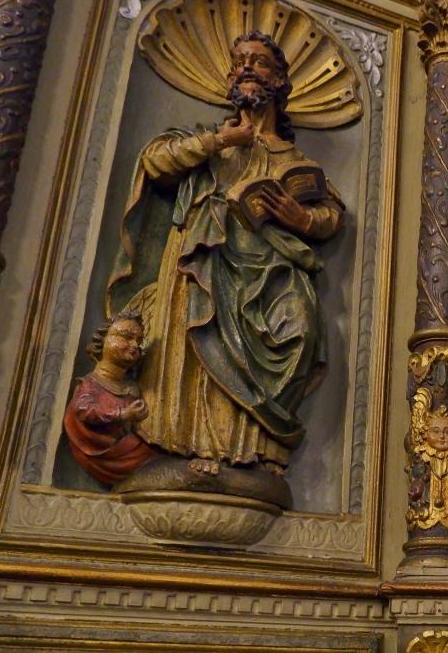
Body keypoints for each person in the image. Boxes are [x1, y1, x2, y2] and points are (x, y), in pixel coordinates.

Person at [107, 30, 343, 483]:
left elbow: (330, 214)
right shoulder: (207, 139)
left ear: (280, 81)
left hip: (272, 266)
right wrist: (218, 142)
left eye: (259, 62)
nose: (247, 68)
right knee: (196, 340)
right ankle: (187, 446)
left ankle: (256, 448)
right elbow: (156, 161)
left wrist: (301, 218)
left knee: (299, 328)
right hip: (204, 256)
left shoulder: (293, 158)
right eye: (240, 62)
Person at [63, 312, 155, 485]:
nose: (135, 345)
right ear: (102, 340)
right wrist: (123, 414)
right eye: (126, 337)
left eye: (139, 340)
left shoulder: (132, 387)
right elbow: (83, 410)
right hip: (107, 456)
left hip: (133, 450)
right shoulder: (91, 384)